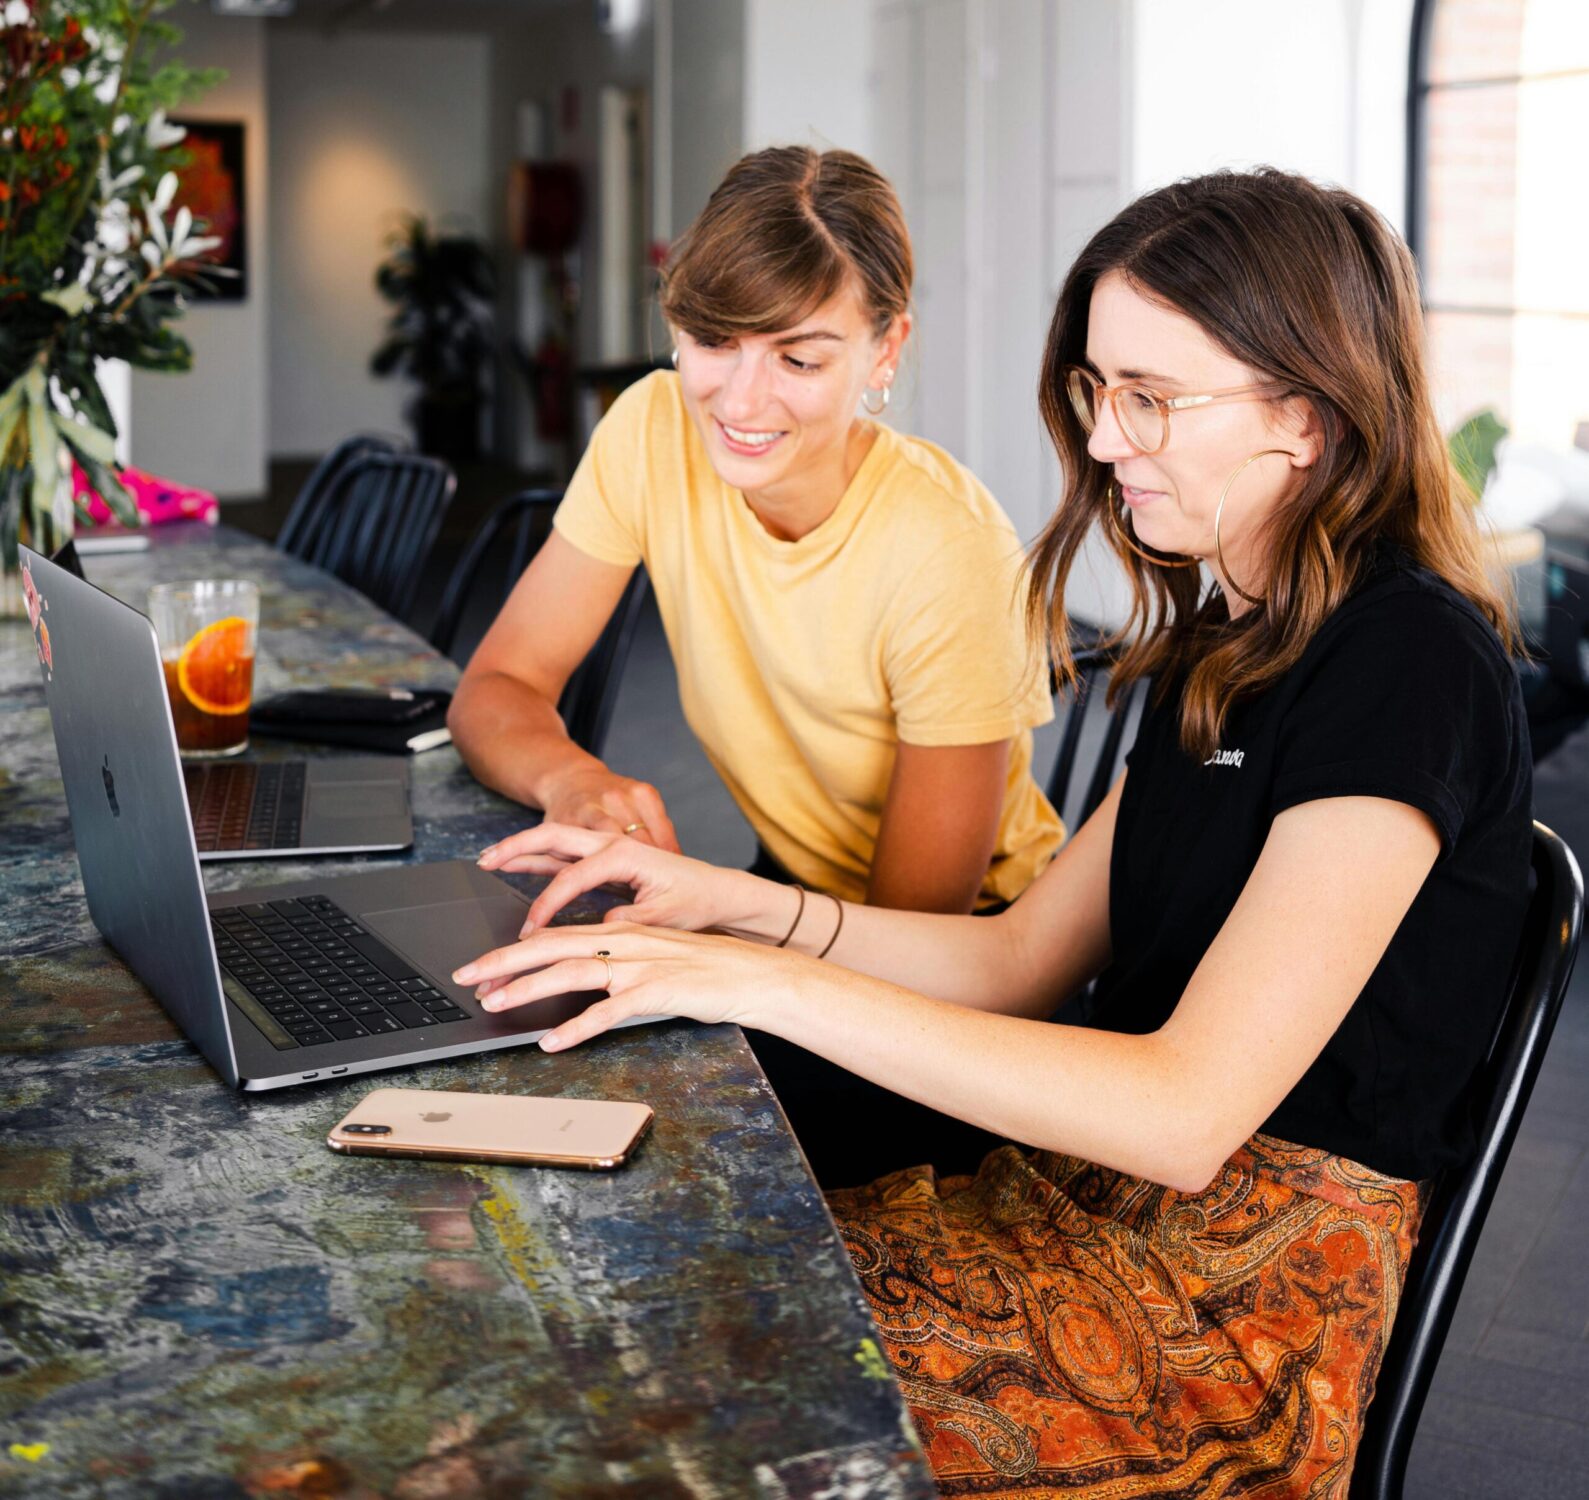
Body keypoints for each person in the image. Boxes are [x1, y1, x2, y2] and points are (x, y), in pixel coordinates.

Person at [451, 168, 1532, 1496]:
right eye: (1095, 390)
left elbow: (1189, 1115)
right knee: (581, 1292)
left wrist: (754, 978)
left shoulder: (1408, 661)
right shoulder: (1230, 645)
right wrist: (725, 909)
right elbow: (1022, 956)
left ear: (1301, 420)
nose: (1104, 439)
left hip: (1223, 1327)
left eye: (1152, 399)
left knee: (649, 1389)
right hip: (1078, 1208)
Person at [449, 145, 1062, 919]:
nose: (740, 403)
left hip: (965, 955)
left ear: (886, 351)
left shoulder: (950, 552)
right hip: (791, 887)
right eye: (713, 342)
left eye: (798, 360)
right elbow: (496, 687)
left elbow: (915, 939)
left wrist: (716, 915)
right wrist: (571, 779)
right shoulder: (651, 427)